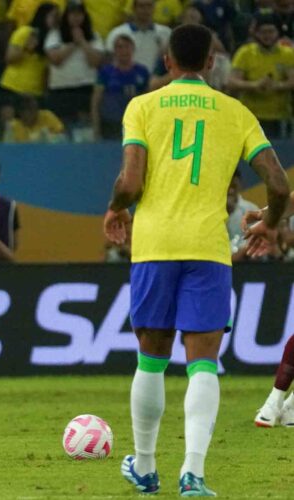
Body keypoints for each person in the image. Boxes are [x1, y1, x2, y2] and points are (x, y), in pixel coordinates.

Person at [103, 24, 290, 496]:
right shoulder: (236, 111)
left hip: (155, 246)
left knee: (151, 359)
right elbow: (279, 184)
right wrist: (271, 223)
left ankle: (145, 467)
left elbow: (129, 180)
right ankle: (194, 473)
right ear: (212, 62)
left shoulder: (142, 107)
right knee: (202, 363)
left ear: (166, 61)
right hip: (208, 250)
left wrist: (116, 208)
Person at [227, 13, 294, 140]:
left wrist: (277, 86)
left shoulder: (288, 54)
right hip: (251, 116)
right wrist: (255, 85)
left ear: (278, 32)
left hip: (280, 117)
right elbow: (232, 82)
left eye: (271, 31)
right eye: (263, 32)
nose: (267, 36)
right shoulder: (245, 53)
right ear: (256, 33)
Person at [45, 0, 105, 129]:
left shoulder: (94, 37)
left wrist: (83, 42)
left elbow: (95, 62)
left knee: (84, 129)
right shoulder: (55, 35)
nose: (76, 17)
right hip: (60, 89)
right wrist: (73, 43)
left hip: (85, 88)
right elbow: (56, 60)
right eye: (72, 14)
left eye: (79, 14)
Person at [91, 34, 149, 141]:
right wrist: (96, 128)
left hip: (135, 124)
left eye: (126, 47)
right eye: (119, 47)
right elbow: (96, 101)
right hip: (110, 123)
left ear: (133, 49)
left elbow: (149, 101)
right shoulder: (105, 72)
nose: (123, 51)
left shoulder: (142, 72)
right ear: (114, 51)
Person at [106, 0, 170, 72]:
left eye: (149, 6)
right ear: (133, 8)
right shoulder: (117, 33)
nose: (146, 10)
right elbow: (110, 63)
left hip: (158, 80)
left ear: (154, 8)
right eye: (141, 6)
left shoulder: (166, 33)